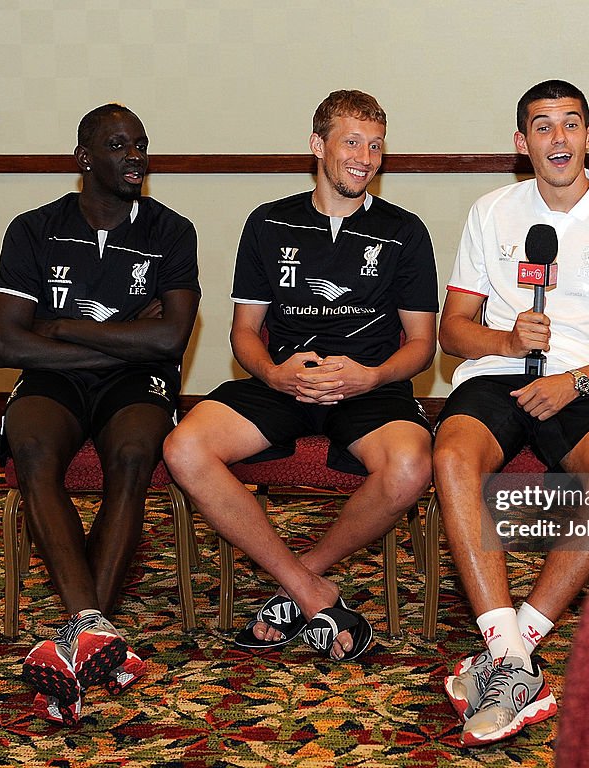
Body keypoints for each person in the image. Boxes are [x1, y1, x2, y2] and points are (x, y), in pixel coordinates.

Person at [163, 89, 437, 663]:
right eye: (352, 142)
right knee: (184, 448)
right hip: (286, 380)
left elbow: (422, 346)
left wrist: (372, 376)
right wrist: (275, 373)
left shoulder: (404, 231)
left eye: (376, 145)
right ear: (318, 146)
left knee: (411, 466)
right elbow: (243, 334)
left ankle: (301, 577)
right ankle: (312, 592)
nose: (365, 157)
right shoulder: (267, 222)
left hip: (369, 384)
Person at [432, 79, 589, 746]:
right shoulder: (491, 211)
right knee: (451, 453)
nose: (557, 138)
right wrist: (506, 342)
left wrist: (573, 381)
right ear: (520, 143)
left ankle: (516, 643)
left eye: (570, 124)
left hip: (583, 380)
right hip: (499, 374)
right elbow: (454, 331)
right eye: (542, 126)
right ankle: (508, 656)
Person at [0, 103, 200, 726]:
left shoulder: (170, 231)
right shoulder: (33, 229)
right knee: (31, 448)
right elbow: (7, 343)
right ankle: (94, 631)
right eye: (118, 145)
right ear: (84, 159)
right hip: (54, 382)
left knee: (135, 455)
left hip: (137, 382)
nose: (135, 156)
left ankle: (76, 640)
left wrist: (62, 327)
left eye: (141, 144)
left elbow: (169, 340)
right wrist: (119, 334)